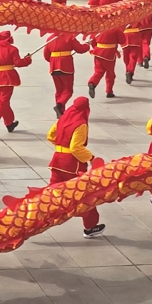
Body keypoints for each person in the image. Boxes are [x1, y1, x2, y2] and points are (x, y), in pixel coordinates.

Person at [46, 97, 106, 238]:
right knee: (84, 195)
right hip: (72, 164)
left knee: (51, 193)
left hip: (57, 160)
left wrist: (61, 146)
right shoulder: (81, 124)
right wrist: (91, 158)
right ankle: (90, 226)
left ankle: (38, 216)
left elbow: (50, 135)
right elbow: (75, 148)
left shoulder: (63, 118)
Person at [0, 31, 32, 139]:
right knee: (3, 102)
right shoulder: (13, 49)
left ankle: (9, 123)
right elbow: (18, 63)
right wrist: (27, 60)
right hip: (7, 78)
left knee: (3, 102)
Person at [44, 33, 90, 117]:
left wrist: (55, 60)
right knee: (68, 91)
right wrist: (87, 45)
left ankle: (60, 112)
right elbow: (80, 49)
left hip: (54, 67)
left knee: (59, 91)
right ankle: (60, 105)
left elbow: (46, 56)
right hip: (66, 66)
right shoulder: (69, 37)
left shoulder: (50, 38)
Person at [87, 26, 122, 99]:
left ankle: (92, 83)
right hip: (109, 54)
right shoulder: (115, 29)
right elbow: (122, 40)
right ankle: (109, 91)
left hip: (98, 53)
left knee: (98, 72)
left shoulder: (98, 28)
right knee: (110, 74)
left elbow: (93, 42)